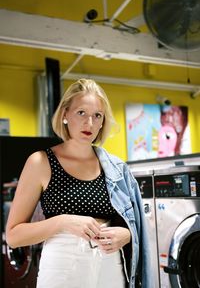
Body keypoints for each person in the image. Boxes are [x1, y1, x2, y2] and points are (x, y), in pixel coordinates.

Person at [6, 79, 151, 288]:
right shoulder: (41, 162)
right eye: (81, 113)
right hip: (63, 267)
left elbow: (136, 228)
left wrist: (126, 235)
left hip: (111, 266)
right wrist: (63, 221)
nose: (89, 123)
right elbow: (13, 236)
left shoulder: (117, 169)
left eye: (97, 116)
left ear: (102, 122)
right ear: (65, 115)